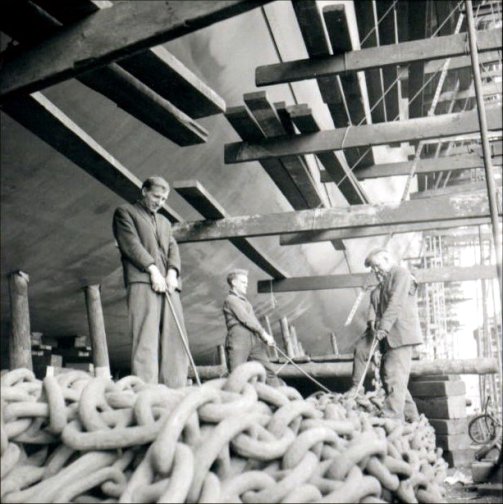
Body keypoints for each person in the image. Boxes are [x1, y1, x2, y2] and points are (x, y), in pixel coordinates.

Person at [113, 176, 188, 387]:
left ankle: (175, 387)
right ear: (144, 191)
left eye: (164, 199)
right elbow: (131, 245)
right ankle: (145, 389)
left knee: (175, 338)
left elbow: (173, 248)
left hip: (169, 284)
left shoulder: (164, 222)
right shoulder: (125, 213)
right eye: (156, 196)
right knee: (146, 337)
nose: (159, 202)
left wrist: (172, 272)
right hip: (143, 281)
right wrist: (153, 270)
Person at [363, 247, 422, 422]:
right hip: (390, 338)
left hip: (400, 336)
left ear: (387, 258)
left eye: (377, 265)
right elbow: (376, 300)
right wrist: (372, 321)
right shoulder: (385, 282)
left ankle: (392, 418)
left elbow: (396, 303)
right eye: (373, 268)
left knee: (394, 377)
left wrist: (383, 328)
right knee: (391, 376)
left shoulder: (401, 275)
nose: (375, 270)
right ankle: (413, 419)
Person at [223, 269, 280, 386]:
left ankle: (279, 398)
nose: (246, 285)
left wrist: (264, 337)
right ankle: (236, 401)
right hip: (238, 338)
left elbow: (253, 321)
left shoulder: (245, 302)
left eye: (246, 283)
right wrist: (264, 334)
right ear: (234, 283)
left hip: (253, 338)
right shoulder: (231, 300)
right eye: (243, 282)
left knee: (269, 371)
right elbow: (246, 319)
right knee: (236, 375)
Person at [350, 275, 383, 394]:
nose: (378, 274)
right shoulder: (375, 291)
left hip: (389, 330)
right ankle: (357, 386)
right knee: (360, 350)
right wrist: (372, 321)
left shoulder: (394, 289)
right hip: (374, 330)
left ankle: (386, 391)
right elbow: (373, 308)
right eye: (376, 272)